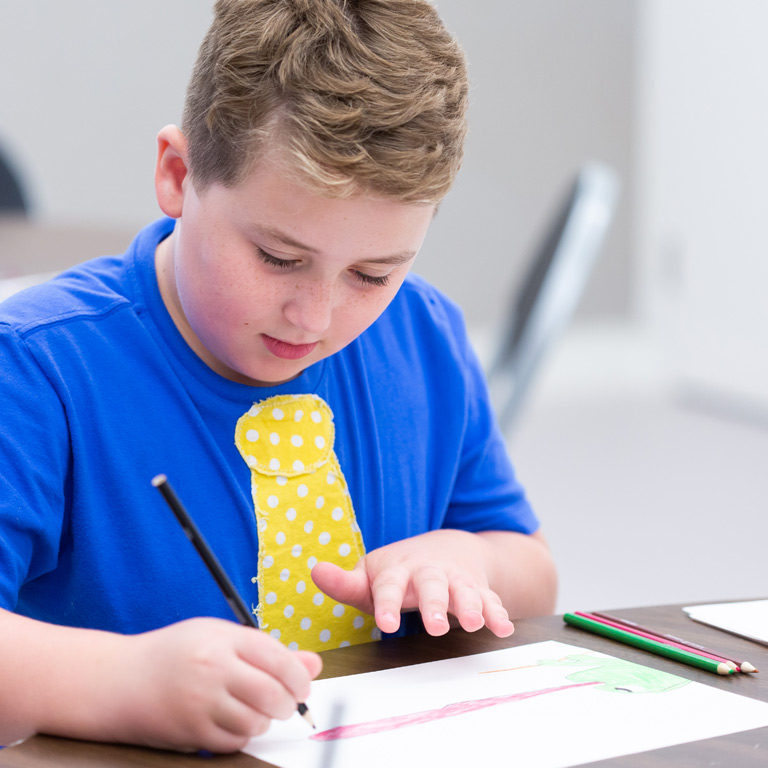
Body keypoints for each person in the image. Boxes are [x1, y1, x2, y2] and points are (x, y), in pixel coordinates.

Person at [0, 0, 557, 754]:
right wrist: (122, 681)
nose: (313, 317)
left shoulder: (424, 335)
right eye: (278, 258)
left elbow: (532, 568)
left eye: (373, 273)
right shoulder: (37, 367)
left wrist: (470, 560)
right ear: (177, 174)